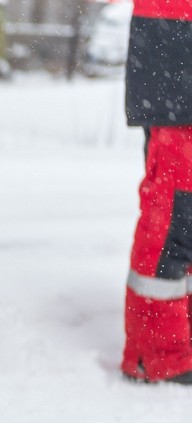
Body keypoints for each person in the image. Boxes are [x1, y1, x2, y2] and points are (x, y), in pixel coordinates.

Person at [119, 0, 192, 384]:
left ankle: (178, 343)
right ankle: (158, 354)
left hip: (175, 63)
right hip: (177, 71)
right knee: (176, 221)